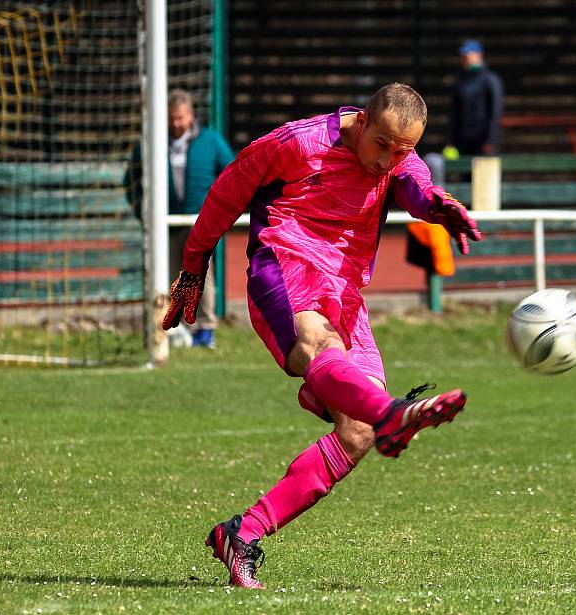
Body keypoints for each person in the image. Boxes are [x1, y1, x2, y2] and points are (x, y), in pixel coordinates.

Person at [162, 83, 482, 589]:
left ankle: (240, 534)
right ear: (362, 122)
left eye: (402, 150)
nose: (388, 160)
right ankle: (394, 414)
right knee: (319, 349)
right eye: (382, 144)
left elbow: (418, 187)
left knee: (357, 433)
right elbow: (228, 189)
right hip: (285, 263)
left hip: (345, 289)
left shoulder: (400, 157)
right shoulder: (298, 142)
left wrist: (437, 206)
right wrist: (193, 264)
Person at [125, 88, 234, 348]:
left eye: (180, 118)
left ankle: (205, 330)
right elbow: (130, 181)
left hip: (200, 221)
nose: (176, 123)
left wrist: (221, 212)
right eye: (172, 118)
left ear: (190, 116)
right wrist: (144, 212)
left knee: (200, 274)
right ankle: (174, 327)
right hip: (164, 221)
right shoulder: (150, 143)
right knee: (168, 275)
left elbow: (233, 172)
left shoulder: (210, 141)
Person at [449, 39, 504, 157]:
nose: (465, 59)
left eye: (468, 55)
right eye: (463, 56)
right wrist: (452, 141)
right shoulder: (459, 81)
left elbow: (495, 112)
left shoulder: (491, 79)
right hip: (464, 142)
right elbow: (456, 113)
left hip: (484, 143)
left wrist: (490, 140)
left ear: (479, 56)